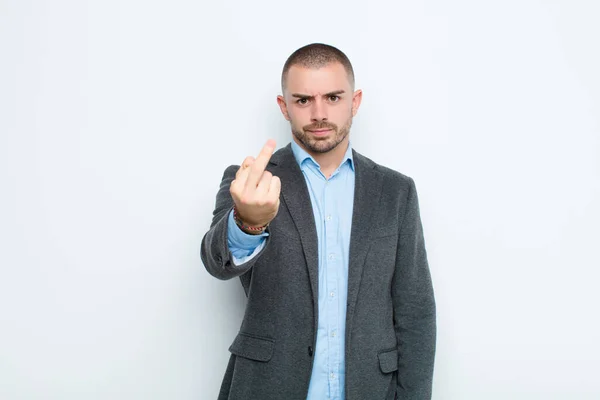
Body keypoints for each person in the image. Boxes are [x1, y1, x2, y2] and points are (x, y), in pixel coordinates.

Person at [201, 43, 436, 400]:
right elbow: (215, 262)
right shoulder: (250, 182)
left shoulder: (395, 191)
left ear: (354, 102)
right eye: (303, 100)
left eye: (333, 97)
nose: (319, 113)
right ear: (284, 107)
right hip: (268, 387)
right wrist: (248, 222)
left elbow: (415, 311)